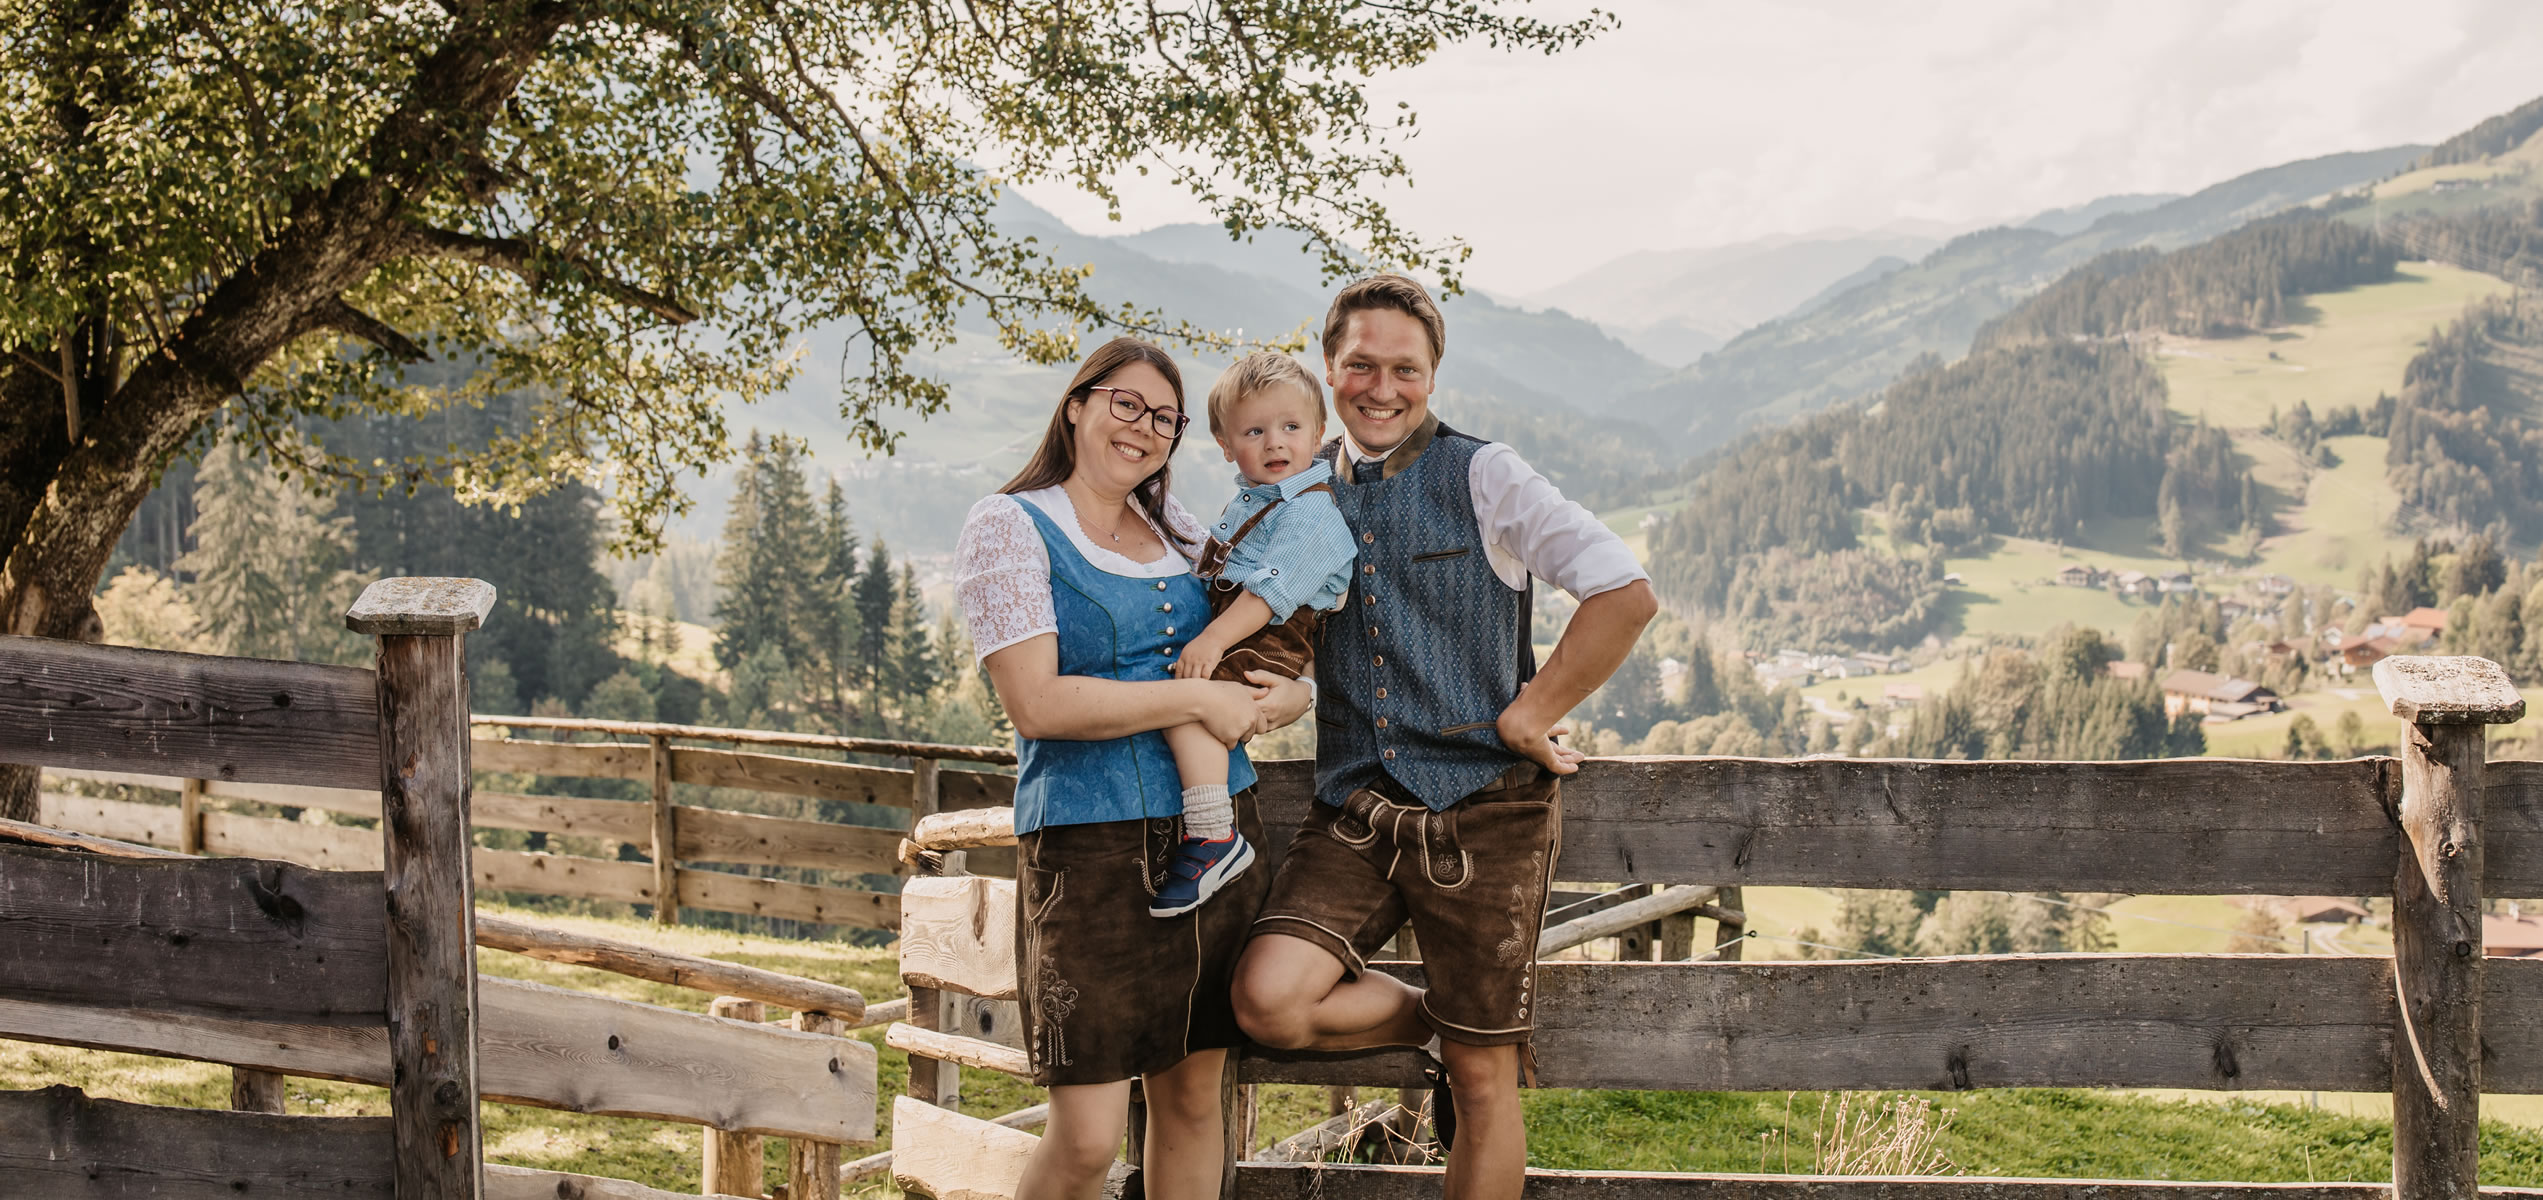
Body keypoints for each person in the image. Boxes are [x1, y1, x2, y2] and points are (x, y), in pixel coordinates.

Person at [1229, 275, 1658, 1200]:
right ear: (1329, 369)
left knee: (1480, 1077)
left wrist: (1527, 714)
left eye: (1404, 369)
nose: (1381, 388)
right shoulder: (1300, 493)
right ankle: (1444, 1016)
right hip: (1356, 807)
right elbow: (1288, 632)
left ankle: (1470, 1032)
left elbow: (1625, 594)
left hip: (1485, 811)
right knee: (1265, 1000)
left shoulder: (1484, 473)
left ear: (1432, 374)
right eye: (1359, 366)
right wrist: (1287, 690)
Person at [953, 336, 1315, 1200]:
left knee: (1193, 1103)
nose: (1144, 428)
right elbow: (1035, 705)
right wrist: (1192, 704)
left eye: (1164, 417)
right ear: (1076, 404)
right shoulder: (1009, 525)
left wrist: (1284, 698)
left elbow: (1267, 646)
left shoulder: (1182, 530)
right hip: (1087, 850)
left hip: (1220, 836)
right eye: (1126, 404)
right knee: (1084, 1139)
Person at [1152, 352, 1358, 917]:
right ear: (1225, 445)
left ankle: (1213, 833)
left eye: (1291, 428)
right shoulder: (1259, 499)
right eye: (1254, 431)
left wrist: (1212, 641)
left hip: (1268, 632)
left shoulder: (1311, 512)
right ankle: (1207, 823)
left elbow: (1268, 593)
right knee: (1185, 701)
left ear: (1319, 433)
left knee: (1186, 703)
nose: (1275, 444)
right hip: (1245, 623)